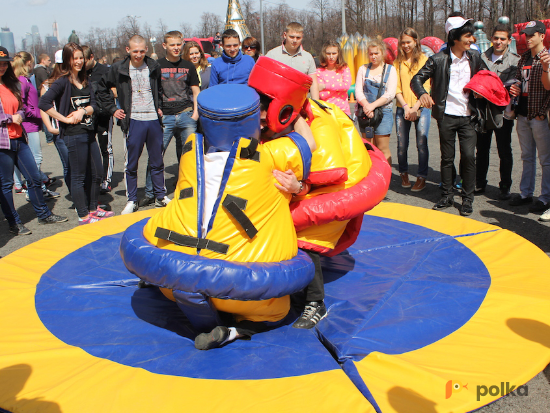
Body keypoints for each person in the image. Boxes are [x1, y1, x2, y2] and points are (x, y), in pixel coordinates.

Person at [125, 84, 317, 350]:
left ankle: (194, 305)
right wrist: (291, 114)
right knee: (278, 309)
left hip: (174, 279)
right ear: (253, 121)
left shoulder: (189, 153)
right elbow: (310, 142)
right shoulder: (270, 158)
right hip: (243, 287)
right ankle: (234, 330)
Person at [411, 15, 487, 216]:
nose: (472, 40)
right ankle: (446, 195)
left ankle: (467, 199)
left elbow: (488, 79)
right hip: (446, 116)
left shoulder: (475, 58)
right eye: (468, 36)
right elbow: (416, 79)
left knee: (469, 157)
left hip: (469, 117)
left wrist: (483, 90)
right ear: (455, 37)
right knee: (447, 157)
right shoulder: (438, 59)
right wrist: (423, 94)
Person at [40, 42, 114, 225]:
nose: (79, 61)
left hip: (89, 132)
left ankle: (92, 208)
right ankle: (83, 215)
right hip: (74, 134)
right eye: (75, 58)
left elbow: (95, 106)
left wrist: (83, 111)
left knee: (97, 173)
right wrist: (63, 120)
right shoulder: (62, 81)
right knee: (79, 176)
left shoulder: (85, 80)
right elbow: (44, 103)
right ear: (67, 60)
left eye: (81, 57)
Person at [97, 35, 170, 215]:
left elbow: (159, 89)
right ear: (128, 50)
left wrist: (159, 107)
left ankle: (160, 196)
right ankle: (132, 200)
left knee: (157, 160)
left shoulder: (153, 66)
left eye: (142, 51)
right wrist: (113, 109)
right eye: (135, 51)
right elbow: (101, 87)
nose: (138, 55)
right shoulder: (118, 68)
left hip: (153, 119)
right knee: (131, 163)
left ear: (146, 49)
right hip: (133, 120)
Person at [0, 46, 67, 235]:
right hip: (2, 143)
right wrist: (8, 118)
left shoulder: (11, 84)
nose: (3, 67)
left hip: (19, 138)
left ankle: (43, 214)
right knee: (6, 185)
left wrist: (19, 115)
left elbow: (21, 106)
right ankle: (14, 222)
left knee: (34, 177)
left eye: (5, 63)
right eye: (0, 64)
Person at [140, 31, 200, 207]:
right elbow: (151, 91)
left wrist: (195, 114)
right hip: (164, 117)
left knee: (189, 156)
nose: (176, 48)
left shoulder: (188, 66)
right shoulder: (156, 66)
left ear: (182, 44)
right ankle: (151, 192)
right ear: (164, 46)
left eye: (178, 44)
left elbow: (196, 91)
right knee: (156, 155)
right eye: (172, 45)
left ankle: (189, 189)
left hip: (186, 115)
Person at [508, 20, 550, 217]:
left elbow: (549, 89)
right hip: (522, 114)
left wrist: (542, 111)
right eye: (526, 34)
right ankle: (526, 194)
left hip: (538, 115)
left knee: (545, 159)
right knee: (526, 157)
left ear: (542, 36)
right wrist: (514, 87)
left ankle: (545, 198)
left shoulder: (547, 58)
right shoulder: (523, 57)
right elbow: (518, 80)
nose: (528, 38)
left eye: (533, 34)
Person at [475, 24, 519, 200]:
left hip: (503, 112)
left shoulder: (515, 61)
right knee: (482, 148)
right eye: (496, 38)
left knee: (504, 149)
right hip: (483, 111)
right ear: (491, 39)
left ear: (509, 40)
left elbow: (511, 87)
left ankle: (505, 185)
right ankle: (479, 182)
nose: (499, 42)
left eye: (502, 39)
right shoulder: (481, 58)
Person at [12, 51, 59, 199]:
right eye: (31, 62)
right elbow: (22, 104)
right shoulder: (22, 81)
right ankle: (37, 189)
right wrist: (37, 113)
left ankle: (38, 187)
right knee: (35, 159)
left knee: (34, 158)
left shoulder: (24, 80)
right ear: (28, 64)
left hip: (31, 123)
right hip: (29, 124)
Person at [394, 28, 431, 191]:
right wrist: (406, 107)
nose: (406, 45)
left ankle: (422, 177)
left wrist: (416, 107)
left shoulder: (425, 60)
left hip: (421, 108)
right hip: (403, 108)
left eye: (408, 42)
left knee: (421, 143)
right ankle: (403, 173)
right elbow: (396, 88)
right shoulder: (397, 62)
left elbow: (427, 86)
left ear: (415, 41)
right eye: (403, 42)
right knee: (402, 144)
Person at [355, 38, 397, 165]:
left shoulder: (390, 70)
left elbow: (390, 94)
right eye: (371, 54)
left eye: (376, 53)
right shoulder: (363, 69)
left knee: (383, 148)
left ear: (382, 53)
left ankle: (385, 178)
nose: (373, 56)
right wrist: (367, 107)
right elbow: (358, 92)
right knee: (368, 148)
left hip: (384, 112)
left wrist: (373, 106)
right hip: (365, 113)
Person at [83, 45, 114, 194]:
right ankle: (93, 177)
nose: (82, 65)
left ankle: (105, 180)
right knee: (89, 148)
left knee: (106, 148)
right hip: (89, 117)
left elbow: (114, 91)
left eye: (84, 60)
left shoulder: (105, 71)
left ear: (91, 57)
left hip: (104, 116)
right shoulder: (82, 73)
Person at [265, 22, 319, 99]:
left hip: (301, 103)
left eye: (298, 37)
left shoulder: (308, 57)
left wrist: (316, 104)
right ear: (285, 35)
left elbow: (313, 83)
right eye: (291, 37)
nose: (295, 40)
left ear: (302, 37)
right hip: (276, 101)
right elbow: (265, 80)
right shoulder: (272, 55)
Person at [315, 40, 352, 116]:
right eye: (328, 53)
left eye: (334, 53)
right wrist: (339, 85)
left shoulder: (344, 68)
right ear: (324, 54)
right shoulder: (319, 71)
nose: (331, 57)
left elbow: (346, 86)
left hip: (344, 112)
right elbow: (322, 95)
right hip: (327, 112)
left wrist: (325, 86)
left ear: (339, 54)